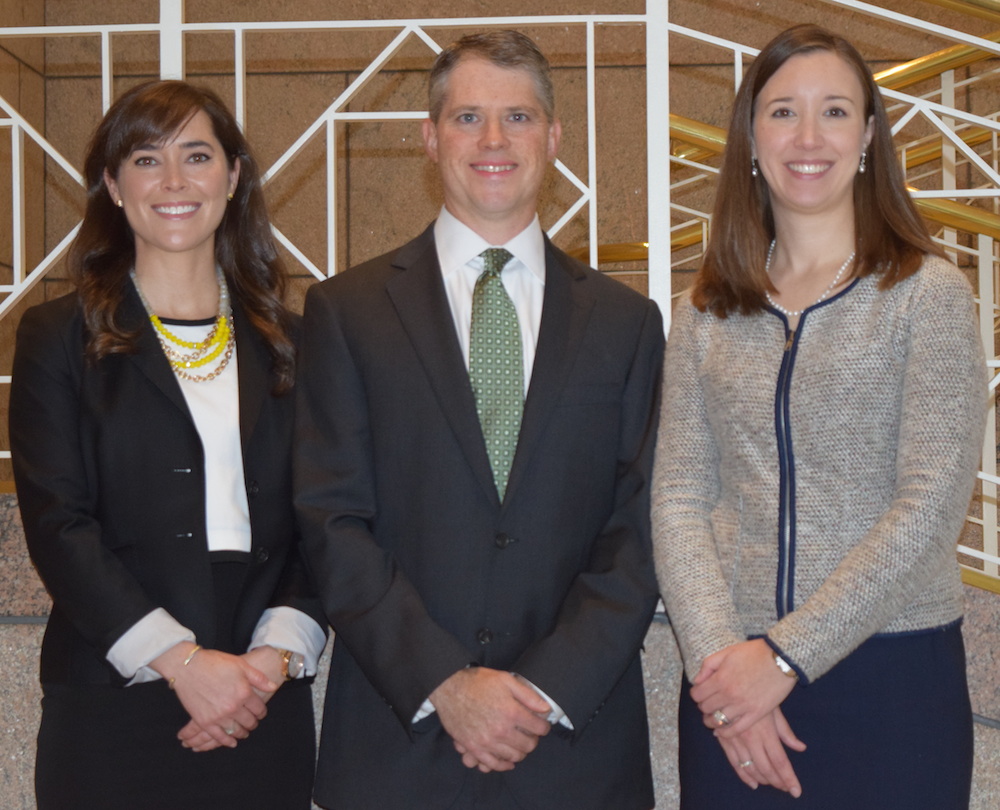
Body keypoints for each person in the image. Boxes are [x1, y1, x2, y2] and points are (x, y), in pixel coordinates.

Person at [295, 29, 664, 810]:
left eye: (519, 118)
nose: (493, 140)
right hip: (400, 745)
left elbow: (642, 525)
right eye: (467, 118)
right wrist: (444, 682)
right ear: (430, 138)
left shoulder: (627, 323)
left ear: (555, 137)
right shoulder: (346, 312)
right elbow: (331, 519)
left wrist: (544, 690)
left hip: (573, 746)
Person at [652, 23, 986, 809]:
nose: (808, 137)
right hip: (727, 684)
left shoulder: (929, 296)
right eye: (782, 112)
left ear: (869, 135)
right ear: (750, 138)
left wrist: (786, 657)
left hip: (891, 680)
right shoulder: (702, 314)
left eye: (835, 112)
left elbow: (931, 506)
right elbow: (676, 497)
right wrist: (722, 666)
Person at [10, 80, 328, 810]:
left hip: (261, 697)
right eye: (146, 160)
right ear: (112, 185)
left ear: (234, 176)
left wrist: (267, 665)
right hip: (112, 695)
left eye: (197, 155)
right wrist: (181, 662)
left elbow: (326, 518)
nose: (175, 181)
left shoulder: (297, 342)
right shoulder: (57, 336)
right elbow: (58, 523)